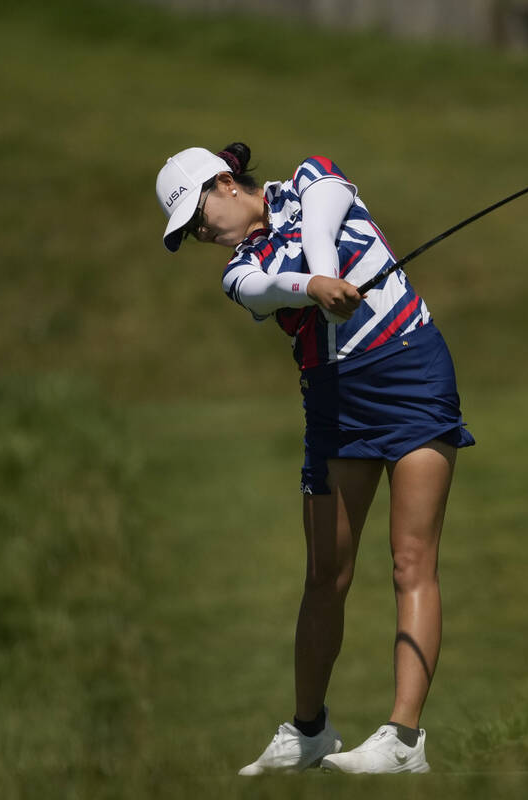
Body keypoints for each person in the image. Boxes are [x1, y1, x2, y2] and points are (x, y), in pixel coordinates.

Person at [155, 143, 474, 774]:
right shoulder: (237, 275)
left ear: (225, 183)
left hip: (411, 371)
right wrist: (315, 286)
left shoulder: (310, 178)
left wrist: (329, 275)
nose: (201, 234)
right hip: (334, 400)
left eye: (198, 217)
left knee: (411, 561)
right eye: (189, 231)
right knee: (325, 573)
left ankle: (403, 741)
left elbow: (326, 213)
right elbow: (272, 287)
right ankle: (308, 732)